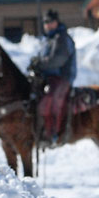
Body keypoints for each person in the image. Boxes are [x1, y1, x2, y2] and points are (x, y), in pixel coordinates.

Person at [30, 9, 77, 144]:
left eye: (51, 22)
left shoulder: (62, 38)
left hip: (62, 78)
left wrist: (39, 64)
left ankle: (52, 133)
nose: (48, 25)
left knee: (49, 99)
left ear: (57, 22)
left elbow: (57, 60)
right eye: (46, 22)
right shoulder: (48, 40)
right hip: (48, 77)